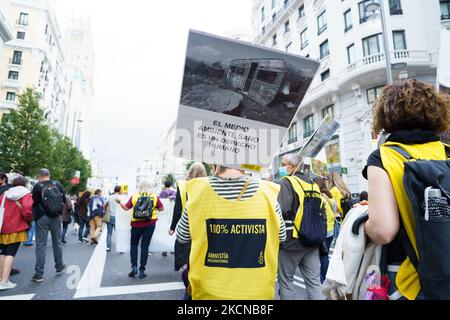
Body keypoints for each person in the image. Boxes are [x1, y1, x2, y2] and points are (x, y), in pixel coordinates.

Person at [363, 79, 450, 300]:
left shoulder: (383, 156)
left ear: (386, 115)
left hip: (409, 278)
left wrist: (364, 225)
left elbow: (383, 231)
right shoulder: (446, 152)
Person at [176, 165, 286, 300]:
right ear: (246, 165)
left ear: (214, 165)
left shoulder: (198, 192)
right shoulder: (268, 192)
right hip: (257, 291)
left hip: (208, 291)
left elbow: (181, 237)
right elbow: (281, 236)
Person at [277, 154, 326, 300]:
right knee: (314, 283)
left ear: (292, 166)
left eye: (283, 164)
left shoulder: (287, 182)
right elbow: (322, 215)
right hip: (312, 241)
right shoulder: (314, 185)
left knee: (286, 283)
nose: (282, 167)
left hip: (291, 242)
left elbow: (281, 209)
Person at [169, 162, 207, 298]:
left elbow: (178, 208)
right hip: (202, 225)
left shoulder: (182, 185)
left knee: (185, 252)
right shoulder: (207, 184)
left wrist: (173, 227)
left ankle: (188, 279)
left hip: (186, 223)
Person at [117, 180, 164, 279]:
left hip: (136, 224)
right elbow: (161, 209)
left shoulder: (134, 196)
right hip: (150, 223)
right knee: (145, 246)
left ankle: (134, 267)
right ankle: (142, 270)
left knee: (134, 245)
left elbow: (126, 208)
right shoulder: (154, 196)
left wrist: (120, 202)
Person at [31, 169, 66, 282]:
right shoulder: (57, 184)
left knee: (41, 245)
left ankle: (39, 274)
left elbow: (34, 202)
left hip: (42, 217)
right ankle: (59, 266)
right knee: (57, 242)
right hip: (56, 217)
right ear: (49, 175)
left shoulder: (37, 186)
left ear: (39, 176)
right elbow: (64, 199)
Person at [0, 175, 33, 290]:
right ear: (24, 183)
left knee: (3, 252)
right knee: (11, 253)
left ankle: (1, 279)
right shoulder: (25, 193)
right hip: (17, 227)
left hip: (3, 227)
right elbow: (28, 209)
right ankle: (4, 281)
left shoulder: (5, 193)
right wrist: (28, 220)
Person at [313, 177, 336, 284]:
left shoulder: (318, 198)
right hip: (331, 230)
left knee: (322, 256)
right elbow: (335, 211)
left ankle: (324, 280)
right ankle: (325, 278)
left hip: (322, 231)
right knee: (325, 255)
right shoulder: (330, 197)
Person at [328, 172, 351, 239]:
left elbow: (336, 205)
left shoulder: (334, 190)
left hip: (337, 218)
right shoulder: (344, 190)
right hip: (345, 218)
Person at [159, 181, 177, 257]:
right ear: (171, 185)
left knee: (164, 231)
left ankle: (164, 250)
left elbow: (159, 202)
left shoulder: (162, 193)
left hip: (164, 214)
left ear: (164, 185)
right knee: (173, 230)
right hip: (172, 214)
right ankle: (172, 249)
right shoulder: (174, 192)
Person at [104, 186, 121, 252]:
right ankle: (121, 248)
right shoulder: (121, 197)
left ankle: (108, 247)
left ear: (114, 190)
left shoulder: (109, 197)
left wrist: (107, 208)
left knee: (109, 233)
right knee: (119, 233)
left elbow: (104, 205)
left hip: (110, 216)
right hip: (118, 217)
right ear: (120, 190)